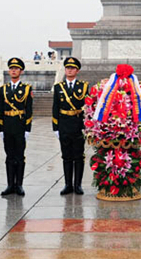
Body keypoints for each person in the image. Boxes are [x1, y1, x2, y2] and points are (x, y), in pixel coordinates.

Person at [52, 57, 89, 195]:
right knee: (66, 156)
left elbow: (88, 107)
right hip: (64, 125)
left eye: (72, 68)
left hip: (78, 124)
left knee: (79, 156)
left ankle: (77, 185)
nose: (69, 70)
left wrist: (87, 126)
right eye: (68, 68)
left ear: (77, 70)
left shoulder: (84, 86)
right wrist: (56, 128)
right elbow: (55, 108)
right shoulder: (58, 87)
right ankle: (68, 184)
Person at [0, 57, 32, 196]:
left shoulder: (26, 89)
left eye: (16, 69)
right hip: (7, 126)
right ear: (9, 71)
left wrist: (27, 129)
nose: (13, 71)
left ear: (21, 71)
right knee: (9, 156)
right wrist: (1, 129)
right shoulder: (3, 89)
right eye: (11, 68)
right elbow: (0, 110)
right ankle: (10, 185)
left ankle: (19, 185)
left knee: (19, 156)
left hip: (19, 126)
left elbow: (29, 110)